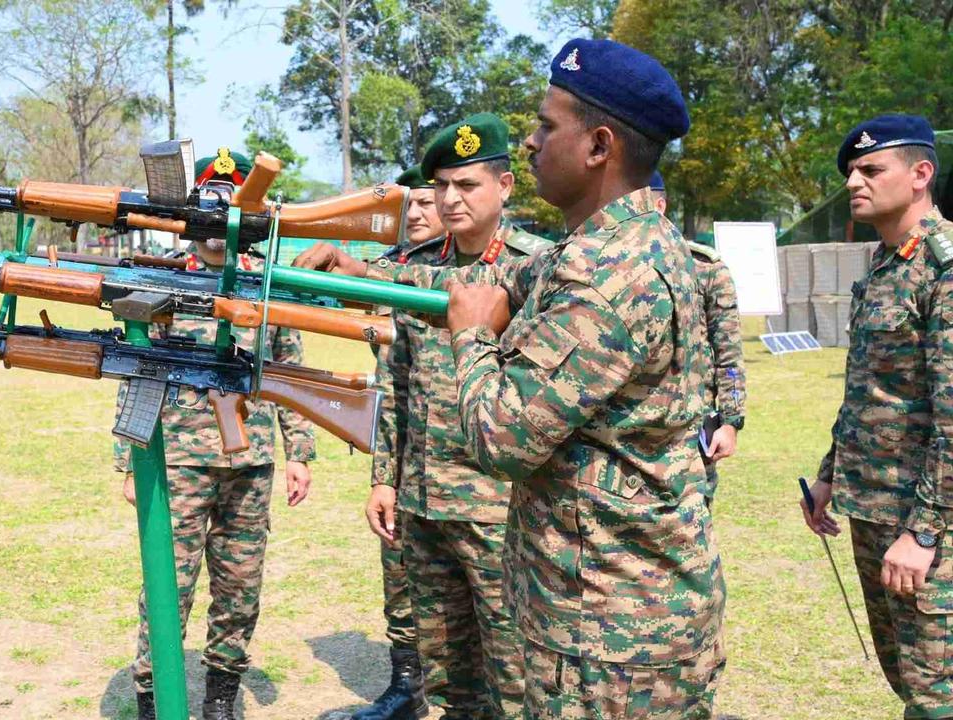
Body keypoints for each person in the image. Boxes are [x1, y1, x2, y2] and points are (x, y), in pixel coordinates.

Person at [295, 38, 725, 718]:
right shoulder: (610, 245)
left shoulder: (608, 273)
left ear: (599, 146)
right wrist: (366, 277)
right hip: (607, 611)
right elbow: (486, 282)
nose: (530, 142)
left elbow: (501, 439)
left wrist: (470, 336)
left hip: (614, 636)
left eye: (548, 126)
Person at [118, 147, 317, 720]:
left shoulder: (265, 287)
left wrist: (300, 452)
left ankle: (221, 700)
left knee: (239, 589)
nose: (219, 218)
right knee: (166, 588)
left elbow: (289, 373)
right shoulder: (160, 285)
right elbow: (131, 368)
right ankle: (155, 701)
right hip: (175, 460)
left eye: (231, 204)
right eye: (209, 203)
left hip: (251, 463)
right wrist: (129, 459)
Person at [368, 114, 555, 720]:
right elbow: (393, 383)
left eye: (467, 185)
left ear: (505, 187)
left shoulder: (543, 270)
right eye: (441, 185)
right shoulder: (414, 269)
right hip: (425, 505)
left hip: (503, 509)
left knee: (516, 672)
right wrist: (383, 478)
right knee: (448, 679)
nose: (450, 199)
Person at [802, 114, 953, 718]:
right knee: (908, 678)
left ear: (921, 174)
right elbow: (868, 390)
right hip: (873, 509)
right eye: (850, 172)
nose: (853, 183)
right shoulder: (887, 265)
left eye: (870, 169)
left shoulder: (943, 271)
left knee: (937, 689)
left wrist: (924, 531)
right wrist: (830, 475)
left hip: (925, 524)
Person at [354, 164, 446, 720]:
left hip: (466, 448)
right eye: (408, 204)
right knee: (400, 565)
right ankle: (406, 686)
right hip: (399, 438)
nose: (414, 214)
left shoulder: (478, 267)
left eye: (427, 203)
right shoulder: (385, 270)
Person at [650, 171, 746, 504]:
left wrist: (731, 421)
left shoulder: (705, 268)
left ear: (660, 206)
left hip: (690, 430)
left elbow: (729, 355)